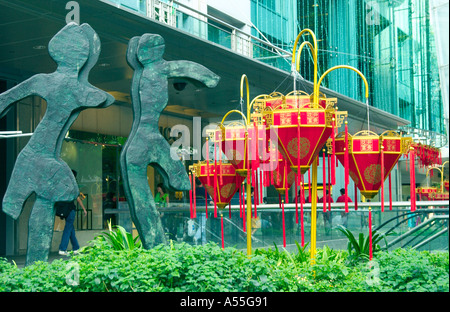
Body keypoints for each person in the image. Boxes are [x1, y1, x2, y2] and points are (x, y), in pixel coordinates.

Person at [58, 170, 87, 256]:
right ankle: (62, 249)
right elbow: (78, 198)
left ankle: (76, 248)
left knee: (70, 230)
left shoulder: (63, 185)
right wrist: (84, 209)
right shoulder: (72, 186)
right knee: (68, 229)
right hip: (70, 209)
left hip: (65, 210)